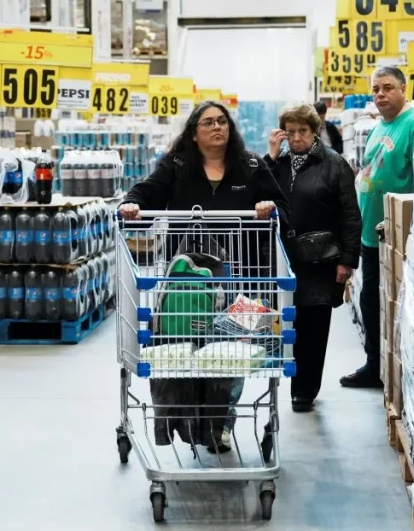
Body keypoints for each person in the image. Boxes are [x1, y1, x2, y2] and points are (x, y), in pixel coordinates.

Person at [120, 101, 289, 451]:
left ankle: (220, 425)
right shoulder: (177, 165)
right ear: (194, 133)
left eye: (223, 121)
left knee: (231, 351)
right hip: (187, 278)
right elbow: (147, 191)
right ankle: (185, 422)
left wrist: (268, 207)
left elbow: (281, 206)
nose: (218, 128)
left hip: (242, 277)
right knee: (187, 348)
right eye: (208, 122)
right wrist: (132, 204)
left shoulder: (252, 165)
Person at [265, 104, 361, 412]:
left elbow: (350, 216)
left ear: (314, 130)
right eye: (289, 132)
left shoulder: (335, 165)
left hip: (321, 259)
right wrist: (270, 155)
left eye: (301, 131)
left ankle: (304, 390)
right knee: (288, 324)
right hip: (283, 257)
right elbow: (257, 192)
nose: (295, 138)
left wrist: (347, 261)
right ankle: (292, 381)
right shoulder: (276, 165)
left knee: (314, 325)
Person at [341, 66, 414, 389]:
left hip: (396, 235)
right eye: (375, 89)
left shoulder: (413, 124)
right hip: (371, 234)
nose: (380, 95)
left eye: (387, 88)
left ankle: (387, 368)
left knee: (391, 303)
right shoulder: (379, 127)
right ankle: (376, 363)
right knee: (372, 302)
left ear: (403, 88)